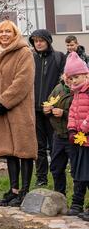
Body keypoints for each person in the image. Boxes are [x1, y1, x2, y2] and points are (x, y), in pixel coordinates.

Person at [0, 20, 36, 207]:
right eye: (0, 32)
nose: (4, 35)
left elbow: (23, 81)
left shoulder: (24, 53)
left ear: (15, 34)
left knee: (24, 149)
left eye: (8, 31)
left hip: (18, 108)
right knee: (8, 149)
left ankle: (24, 191)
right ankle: (13, 190)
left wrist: (4, 101)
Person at [28, 29, 66, 187]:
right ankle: (41, 179)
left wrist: (51, 104)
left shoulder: (59, 57)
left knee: (56, 148)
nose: (38, 43)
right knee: (39, 147)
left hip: (53, 111)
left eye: (41, 40)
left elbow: (63, 83)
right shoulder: (30, 58)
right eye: (35, 41)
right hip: (35, 110)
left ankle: (58, 179)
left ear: (48, 41)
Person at [45, 74, 77, 210]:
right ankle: (60, 198)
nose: (68, 79)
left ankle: (77, 202)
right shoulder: (58, 88)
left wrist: (63, 113)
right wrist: (47, 109)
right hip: (58, 135)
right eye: (66, 75)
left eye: (72, 76)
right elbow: (49, 102)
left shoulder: (80, 90)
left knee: (76, 170)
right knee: (56, 168)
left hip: (73, 136)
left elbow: (79, 111)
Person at [65, 52, 89, 221]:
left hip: (87, 136)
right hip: (80, 139)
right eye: (71, 78)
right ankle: (77, 203)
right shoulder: (76, 93)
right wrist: (72, 129)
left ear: (86, 75)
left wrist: (84, 127)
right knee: (80, 172)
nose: (74, 81)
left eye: (77, 77)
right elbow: (72, 113)